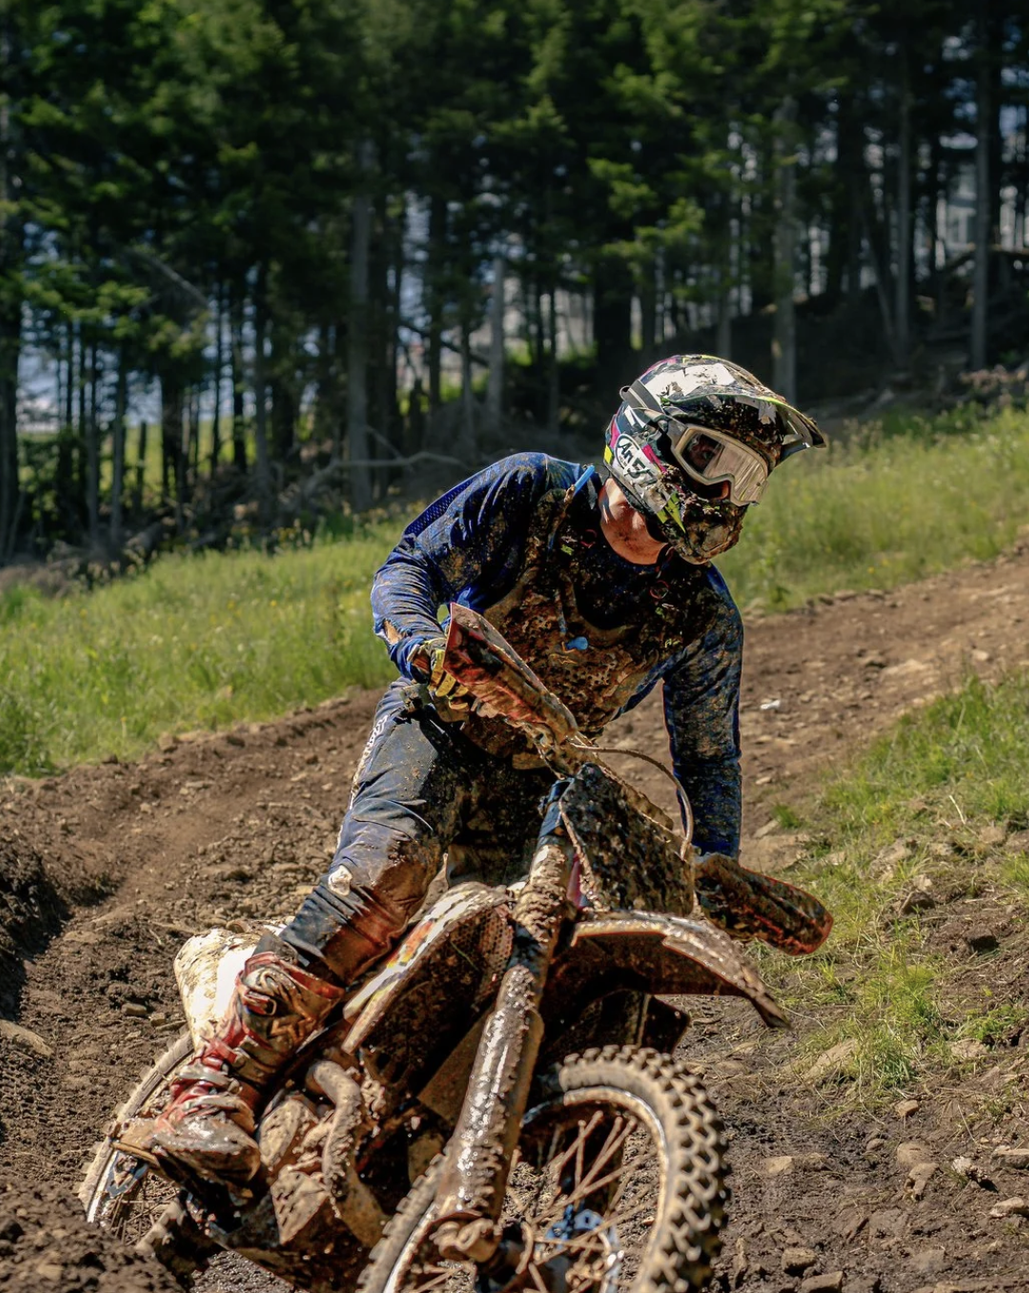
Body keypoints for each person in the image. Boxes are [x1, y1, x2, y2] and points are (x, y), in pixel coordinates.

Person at [124, 354, 825, 1191]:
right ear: (652, 434)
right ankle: (213, 1087)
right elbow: (406, 568)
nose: (728, 490)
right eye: (715, 458)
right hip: (438, 725)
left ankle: (395, 1160)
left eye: (748, 477)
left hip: (540, 782)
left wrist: (713, 859)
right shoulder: (531, 491)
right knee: (386, 876)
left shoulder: (704, 614)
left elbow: (707, 754)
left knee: (506, 970)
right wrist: (423, 647)